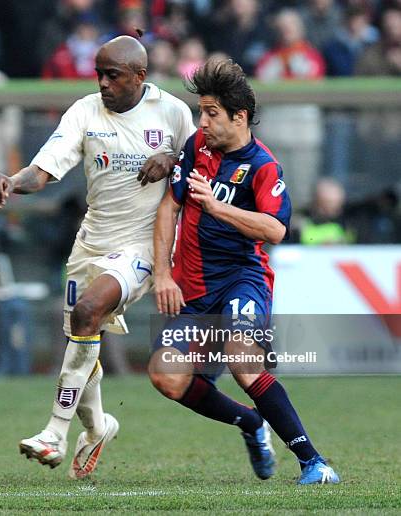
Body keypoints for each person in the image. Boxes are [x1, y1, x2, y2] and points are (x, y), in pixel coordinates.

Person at [0, 35, 195, 479]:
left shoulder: (173, 112)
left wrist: (173, 159)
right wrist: (11, 181)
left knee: (87, 312)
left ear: (140, 76)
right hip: (91, 242)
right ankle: (98, 427)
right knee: (82, 337)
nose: (102, 82)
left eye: (112, 75)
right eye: (98, 74)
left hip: (144, 243)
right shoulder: (84, 111)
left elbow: (203, 165)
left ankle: (54, 433)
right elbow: (43, 169)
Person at [149, 57, 340, 485]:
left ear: (240, 116)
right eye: (200, 111)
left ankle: (314, 462)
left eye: (211, 113)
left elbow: (275, 228)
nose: (202, 121)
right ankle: (251, 423)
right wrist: (162, 274)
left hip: (242, 279)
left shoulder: (263, 165)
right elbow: (169, 207)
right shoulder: (196, 146)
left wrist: (217, 207)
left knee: (242, 358)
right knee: (166, 377)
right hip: (193, 289)